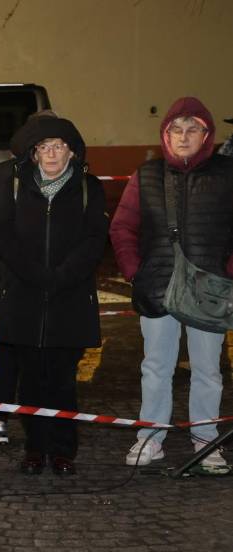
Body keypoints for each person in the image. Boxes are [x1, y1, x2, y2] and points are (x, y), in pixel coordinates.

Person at [110, 97, 233, 467]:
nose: (183, 137)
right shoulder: (145, 175)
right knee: (155, 368)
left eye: (192, 129)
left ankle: (206, 441)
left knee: (208, 371)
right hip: (158, 288)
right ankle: (150, 438)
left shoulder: (227, 173)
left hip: (210, 292)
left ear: (206, 135)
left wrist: (228, 272)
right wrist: (136, 273)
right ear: (165, 135)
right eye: (176, 130)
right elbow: (122, 227)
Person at [0, 115, 107, 475]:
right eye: (44, 147)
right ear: (34, 153)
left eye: (59, 146)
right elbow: (4, 233)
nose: (52, 153)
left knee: (62, 382)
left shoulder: (89, 187)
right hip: (24, 298)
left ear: (72, 152)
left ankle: (62, 451)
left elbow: (94, 240)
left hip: (69, 299)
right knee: (29, 383)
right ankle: (34, 448)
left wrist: (60, 276)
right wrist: (37, 275)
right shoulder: (16, 186)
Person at [0, 109, 58, 446]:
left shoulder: (0, 174)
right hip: (48, 281)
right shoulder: (66, 173)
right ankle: (46, 424)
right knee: (46, 354)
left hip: (8, 279)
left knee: (8, 353)